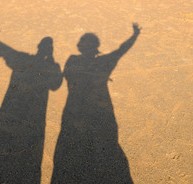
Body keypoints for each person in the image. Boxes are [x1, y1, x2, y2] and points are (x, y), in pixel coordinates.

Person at [0, 29, 62, 184]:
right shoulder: (51, 64)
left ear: (38, 47)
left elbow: (7, 52)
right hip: (36, 115)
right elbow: (56, 85)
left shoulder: (23, 59)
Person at [51, 24, 141, 184]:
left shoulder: (72, 60)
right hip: (102, 111)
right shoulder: (104, 62)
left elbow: (63, 77)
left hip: (73, 111)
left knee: (73, 146)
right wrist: (135, 35)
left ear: (80, 46)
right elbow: (120, 51)